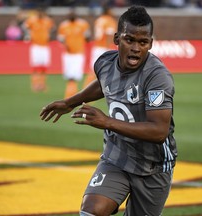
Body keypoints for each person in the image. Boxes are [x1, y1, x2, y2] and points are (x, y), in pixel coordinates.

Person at [40, 6, 177, 216]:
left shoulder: (157, 77)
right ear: (116, 39)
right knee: (91, 211)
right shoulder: (104, 63)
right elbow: (103, 84)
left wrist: (107, 122)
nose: (136, 48)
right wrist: (71, 102)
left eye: (143, 42)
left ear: (151, 43)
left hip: (153, 166)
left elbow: (159, 131)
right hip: (117, 156)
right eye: (129, 40)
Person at [57, 9, 91, 98]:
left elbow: (88, 36)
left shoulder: (82, 24)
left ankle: (71, 94)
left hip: (79, 53)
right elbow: (60, 38)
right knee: (69, 76)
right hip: (68, 54)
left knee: (75, 76)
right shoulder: (64, 25)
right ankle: (71, 94)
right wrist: (65, 44)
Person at [83, 5, 117, 88]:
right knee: (109, 71)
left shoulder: (99, 20)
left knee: (93, 70)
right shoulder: (109, 21)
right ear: (108, 11)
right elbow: (109, 35)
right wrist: (108, 48)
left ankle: (85, 90)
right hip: (104, 47)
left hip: (97, 47)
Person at [23, 8, 55, 92]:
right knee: (35, 67)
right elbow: (24, 27)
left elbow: (53, 28)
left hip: (45, 46)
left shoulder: (47, 21)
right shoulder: (32, 20)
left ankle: (42, 84)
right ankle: (35, 84)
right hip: (36, 46)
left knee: (44, 67)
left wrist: (49, 35)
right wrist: (28, 35)